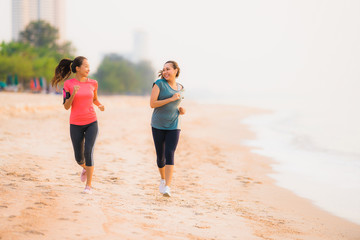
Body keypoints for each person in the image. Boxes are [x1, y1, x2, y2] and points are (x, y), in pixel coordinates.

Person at [51, 56, 105, 194]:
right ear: (77, 68)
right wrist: (74, 93)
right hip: (75, 123)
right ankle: (86, 168)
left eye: (89, 66)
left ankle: (89, 186)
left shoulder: (93, 83)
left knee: (88, 152)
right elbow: (66, 106)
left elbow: (95, 99)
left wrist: (99, 105)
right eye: (86, 66)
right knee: (78, 158)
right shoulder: (68, 84)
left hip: (91, 121)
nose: (88, 69)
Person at [150, 60, 186, 197]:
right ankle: (163, 179)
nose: (165, 72)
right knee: (160, 157)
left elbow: (178, 105)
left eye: (168, 69)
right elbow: (152, 104)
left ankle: (168, 187)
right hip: (158, 124)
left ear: (176, 70)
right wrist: (170, 99)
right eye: (164, 69)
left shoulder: (181, 88)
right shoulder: (159, 84)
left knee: (170, 153)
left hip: (174, 125)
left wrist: (182, 110)